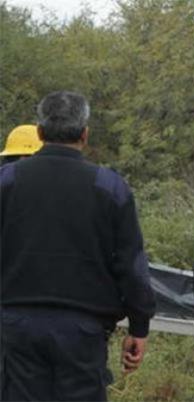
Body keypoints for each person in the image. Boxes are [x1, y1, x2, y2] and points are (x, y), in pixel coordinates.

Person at [0, 91, 156, 401]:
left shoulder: (7, 181)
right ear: (85, 134)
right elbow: (131, 265)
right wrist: (139, 326)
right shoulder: (109, 187)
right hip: (83, 330)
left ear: (40, 132)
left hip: (17, 326)